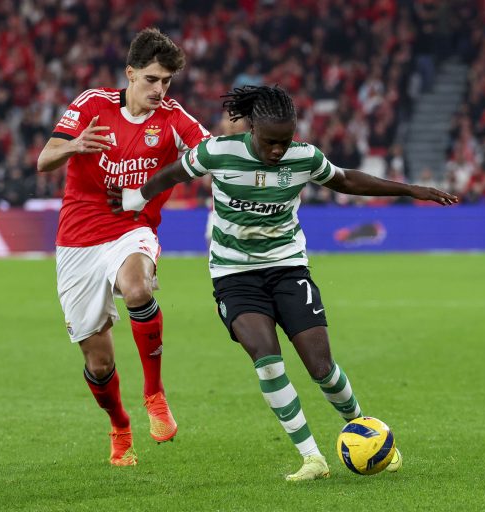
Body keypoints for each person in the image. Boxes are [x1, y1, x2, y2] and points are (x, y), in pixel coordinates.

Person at [111, 85, 458, 481]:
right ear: (251, 127)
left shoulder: (304, 157)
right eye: (269, 141)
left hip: (288, 268)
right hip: (234, 274)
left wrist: (409, 190)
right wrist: (135, 197)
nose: (278, 150)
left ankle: (366, 431)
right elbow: (174, 172)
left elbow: (345, 180)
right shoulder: (218, 152)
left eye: (285, 141)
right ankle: (312, 458)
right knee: (268, 361)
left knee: (321, 367)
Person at [36, 28, 210, 466]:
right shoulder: (92, 104)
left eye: (167, 81)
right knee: (98, 363)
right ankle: (119, 423)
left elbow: (208, 153)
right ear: (129, 74)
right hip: (77, 240)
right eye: (152, 79)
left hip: (131, 230)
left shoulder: (172, 117)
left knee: (138, 290)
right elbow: (44, 159)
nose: (160, 89)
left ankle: (155, 394)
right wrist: (76, 145)